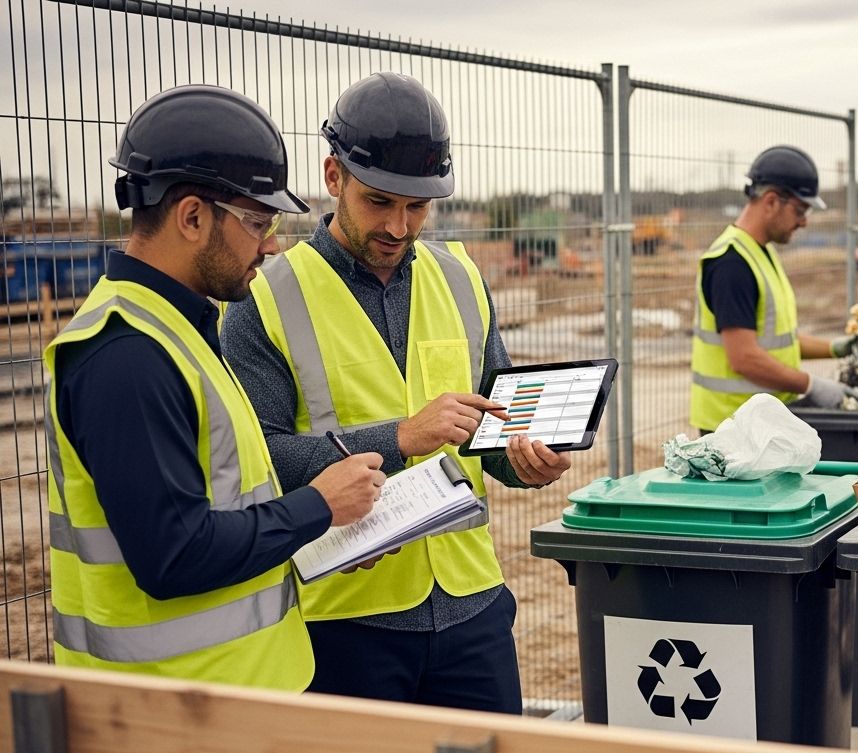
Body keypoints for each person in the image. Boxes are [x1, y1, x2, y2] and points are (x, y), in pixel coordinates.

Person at [222, 72, 571, 713]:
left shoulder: (461, 278)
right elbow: (257, 461)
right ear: (333, 178)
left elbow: (490, 428)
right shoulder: (264, 299)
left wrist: (523, 462)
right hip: (347, 620)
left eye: (417, 206)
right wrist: (401, 437)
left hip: (473, 606)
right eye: (379, 202)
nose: (399, 225)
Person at [44, 85, 384, 690]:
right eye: (258, 220)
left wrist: (324, 537)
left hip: (233, 698)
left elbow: (225, 514)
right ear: (193, 216)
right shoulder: (126, 356)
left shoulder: (181, 330)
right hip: (175, 718)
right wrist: (319, 505)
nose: (273, 242)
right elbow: (173, 556)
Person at [690, 145, 854, 432]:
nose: (803, 221)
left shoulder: (760, 252)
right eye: (800, 210)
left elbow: (779, 342)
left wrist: (837, 348)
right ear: (771, 201)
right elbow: (745, 358)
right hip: (732, 432)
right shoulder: (731, 263)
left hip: (760, 426)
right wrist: (811, 385)